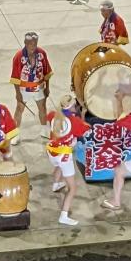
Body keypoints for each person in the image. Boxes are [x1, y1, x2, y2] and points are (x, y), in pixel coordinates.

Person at [46, 95, 90, 226]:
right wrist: (82, 115)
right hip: (64, 156)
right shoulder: (74, 121)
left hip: (51, 152)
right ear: (72, 107)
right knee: (72, 188)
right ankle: (64, 216)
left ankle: (56, 184)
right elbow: (85, 129)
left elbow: (50, 120)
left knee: (58, 166)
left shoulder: (53, 115)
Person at [10, 31, 53, 144]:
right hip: (24, 89)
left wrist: (47, 87)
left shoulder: (42, 53)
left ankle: (44, 130)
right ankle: (15, 134)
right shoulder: (18, 56)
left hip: (39, 87)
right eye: (30, 44)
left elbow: (47, 71)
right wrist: (17, 93)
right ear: (25, 43)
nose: (33, 46)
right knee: (19, 110)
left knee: (42, 108)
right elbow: (15, 76)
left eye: (35, 43)